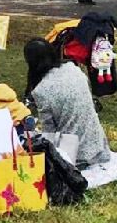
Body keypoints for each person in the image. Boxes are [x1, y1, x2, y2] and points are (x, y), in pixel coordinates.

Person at [24, 38, 111, 167]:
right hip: (99, 145)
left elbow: (49, 132)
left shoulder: (40, 90)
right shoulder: (73, 69)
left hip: (73, 154)